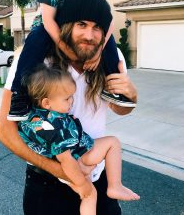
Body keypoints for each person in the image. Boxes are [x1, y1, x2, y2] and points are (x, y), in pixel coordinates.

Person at [0, 0, 138, 215]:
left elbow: (120, 109)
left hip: (97, 177)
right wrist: (62, 170)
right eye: (81, 24)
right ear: (66, 25)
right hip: (47, 186)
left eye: (97, 27)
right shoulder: (33, 62)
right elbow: (5, 130)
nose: (89, 35)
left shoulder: (112, 58)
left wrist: (131, 96)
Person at [8, 0, 136, 122]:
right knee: (35, 40)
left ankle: (113, 88)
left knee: (109, 42)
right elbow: (49, 21)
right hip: (49, 29)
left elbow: (106, 19)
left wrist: (99, 49)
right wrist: (65, 49)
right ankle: (20, 95)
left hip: (74, 36)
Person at [19, 64, 140, 215]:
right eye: (67, 98)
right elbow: (65, 160)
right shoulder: (50, 127)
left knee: (112, 143)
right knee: (89, 194)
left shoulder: (38, 115)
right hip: (74, 163)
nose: (71, 102)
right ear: (46, 103)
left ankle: (115, 186)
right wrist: (82, 184)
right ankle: (112, 186)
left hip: (79, 153)